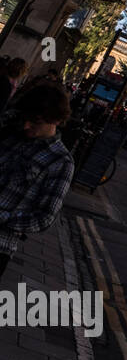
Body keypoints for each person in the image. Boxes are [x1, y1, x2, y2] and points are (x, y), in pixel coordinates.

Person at [0, 80, 75, 280]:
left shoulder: (60, 162)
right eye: (26, 118)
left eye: (36, 121)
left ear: (56, 120)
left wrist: (3, 218)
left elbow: (44, 218)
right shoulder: (11, 135)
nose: (27, 125)